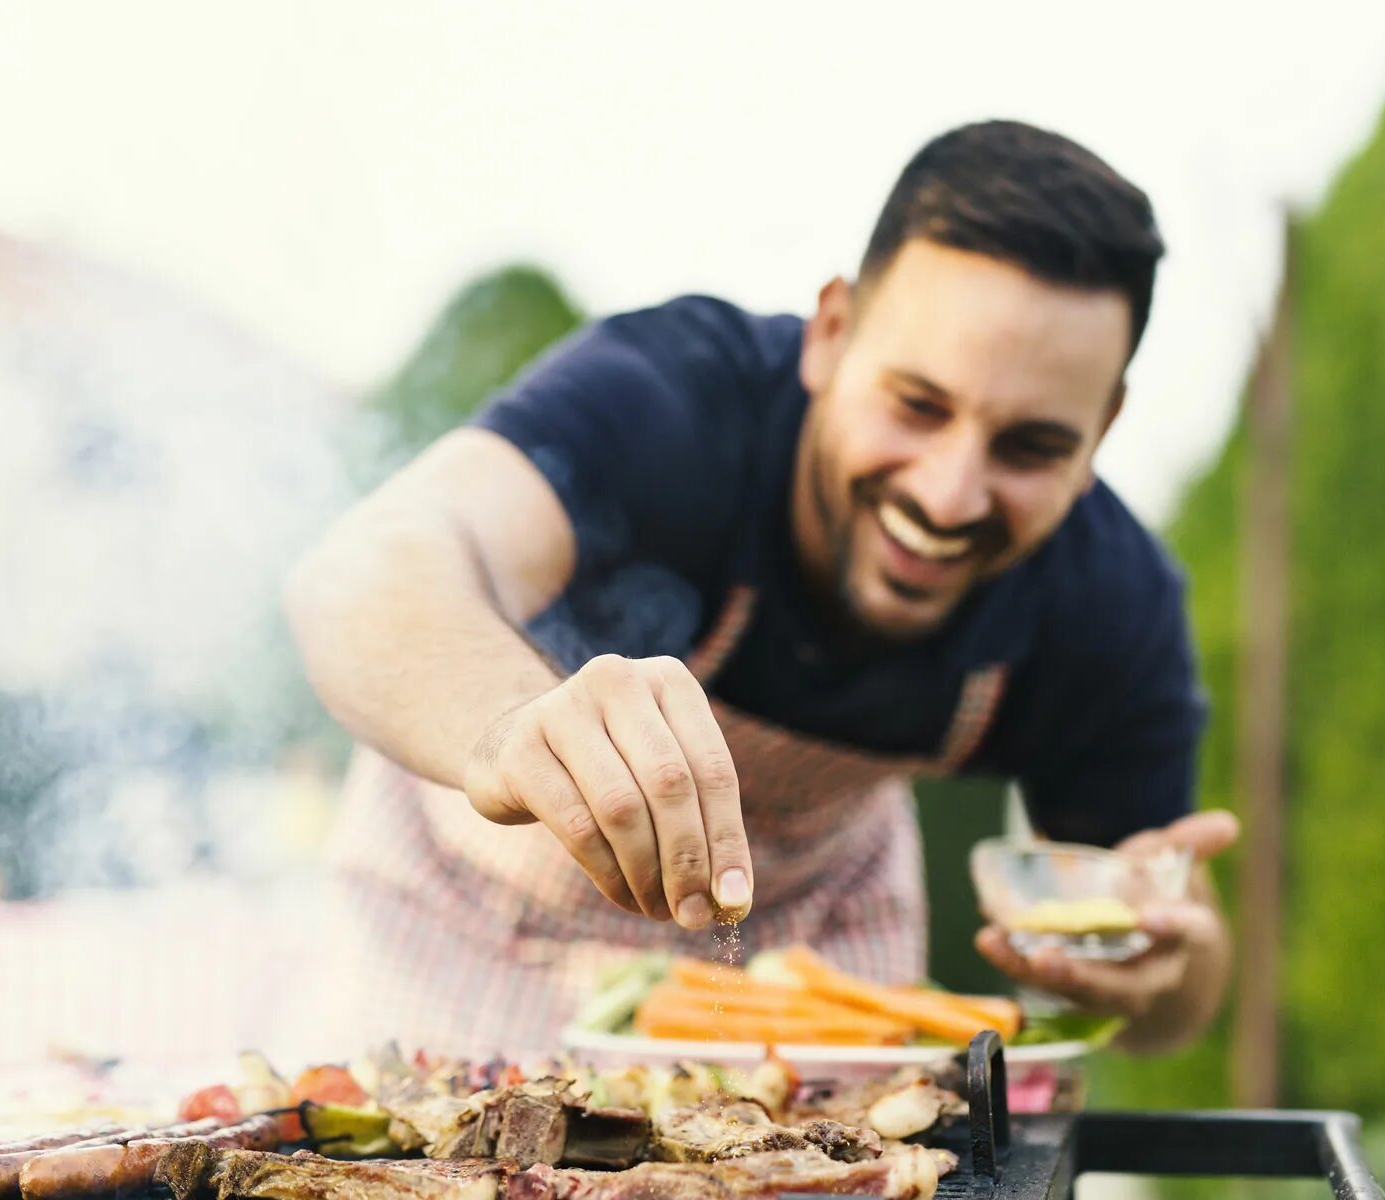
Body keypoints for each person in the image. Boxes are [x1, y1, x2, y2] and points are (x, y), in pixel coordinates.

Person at [284, 120, 1236, 1059]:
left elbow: (1173, 1000)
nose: (949, 496)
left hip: (808, 964)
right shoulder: (676, 399)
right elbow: (364, 572)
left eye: (1032, 446)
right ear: (830, 334)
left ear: (1103, 427)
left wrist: (1159, 970)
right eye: (916, 404)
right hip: (465, 929)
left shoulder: (1109, 600)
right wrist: (508, 729)